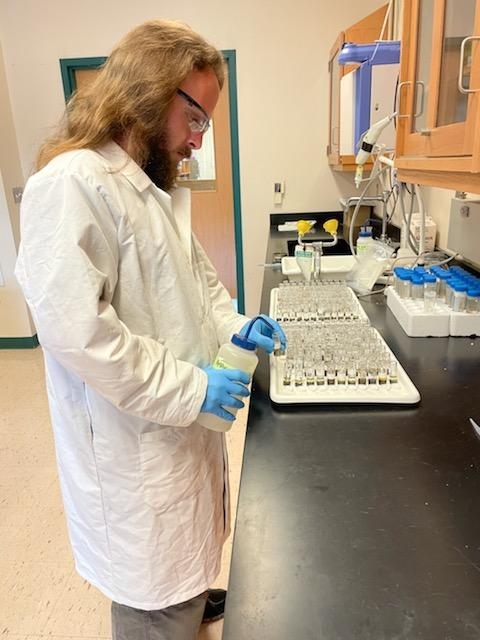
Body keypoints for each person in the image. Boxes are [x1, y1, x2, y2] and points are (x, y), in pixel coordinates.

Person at [15, 19, 286, 640]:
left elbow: (199, 288)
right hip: (133, 447)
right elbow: (80, 334)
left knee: (187, 553)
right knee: (152, 593)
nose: (198, 138)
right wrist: (192, 390)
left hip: (177, 431)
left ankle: (190, 600)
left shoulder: (148, 191)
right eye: (196, 119)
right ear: (150, 90)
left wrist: (239, 327)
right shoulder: (73, 184)